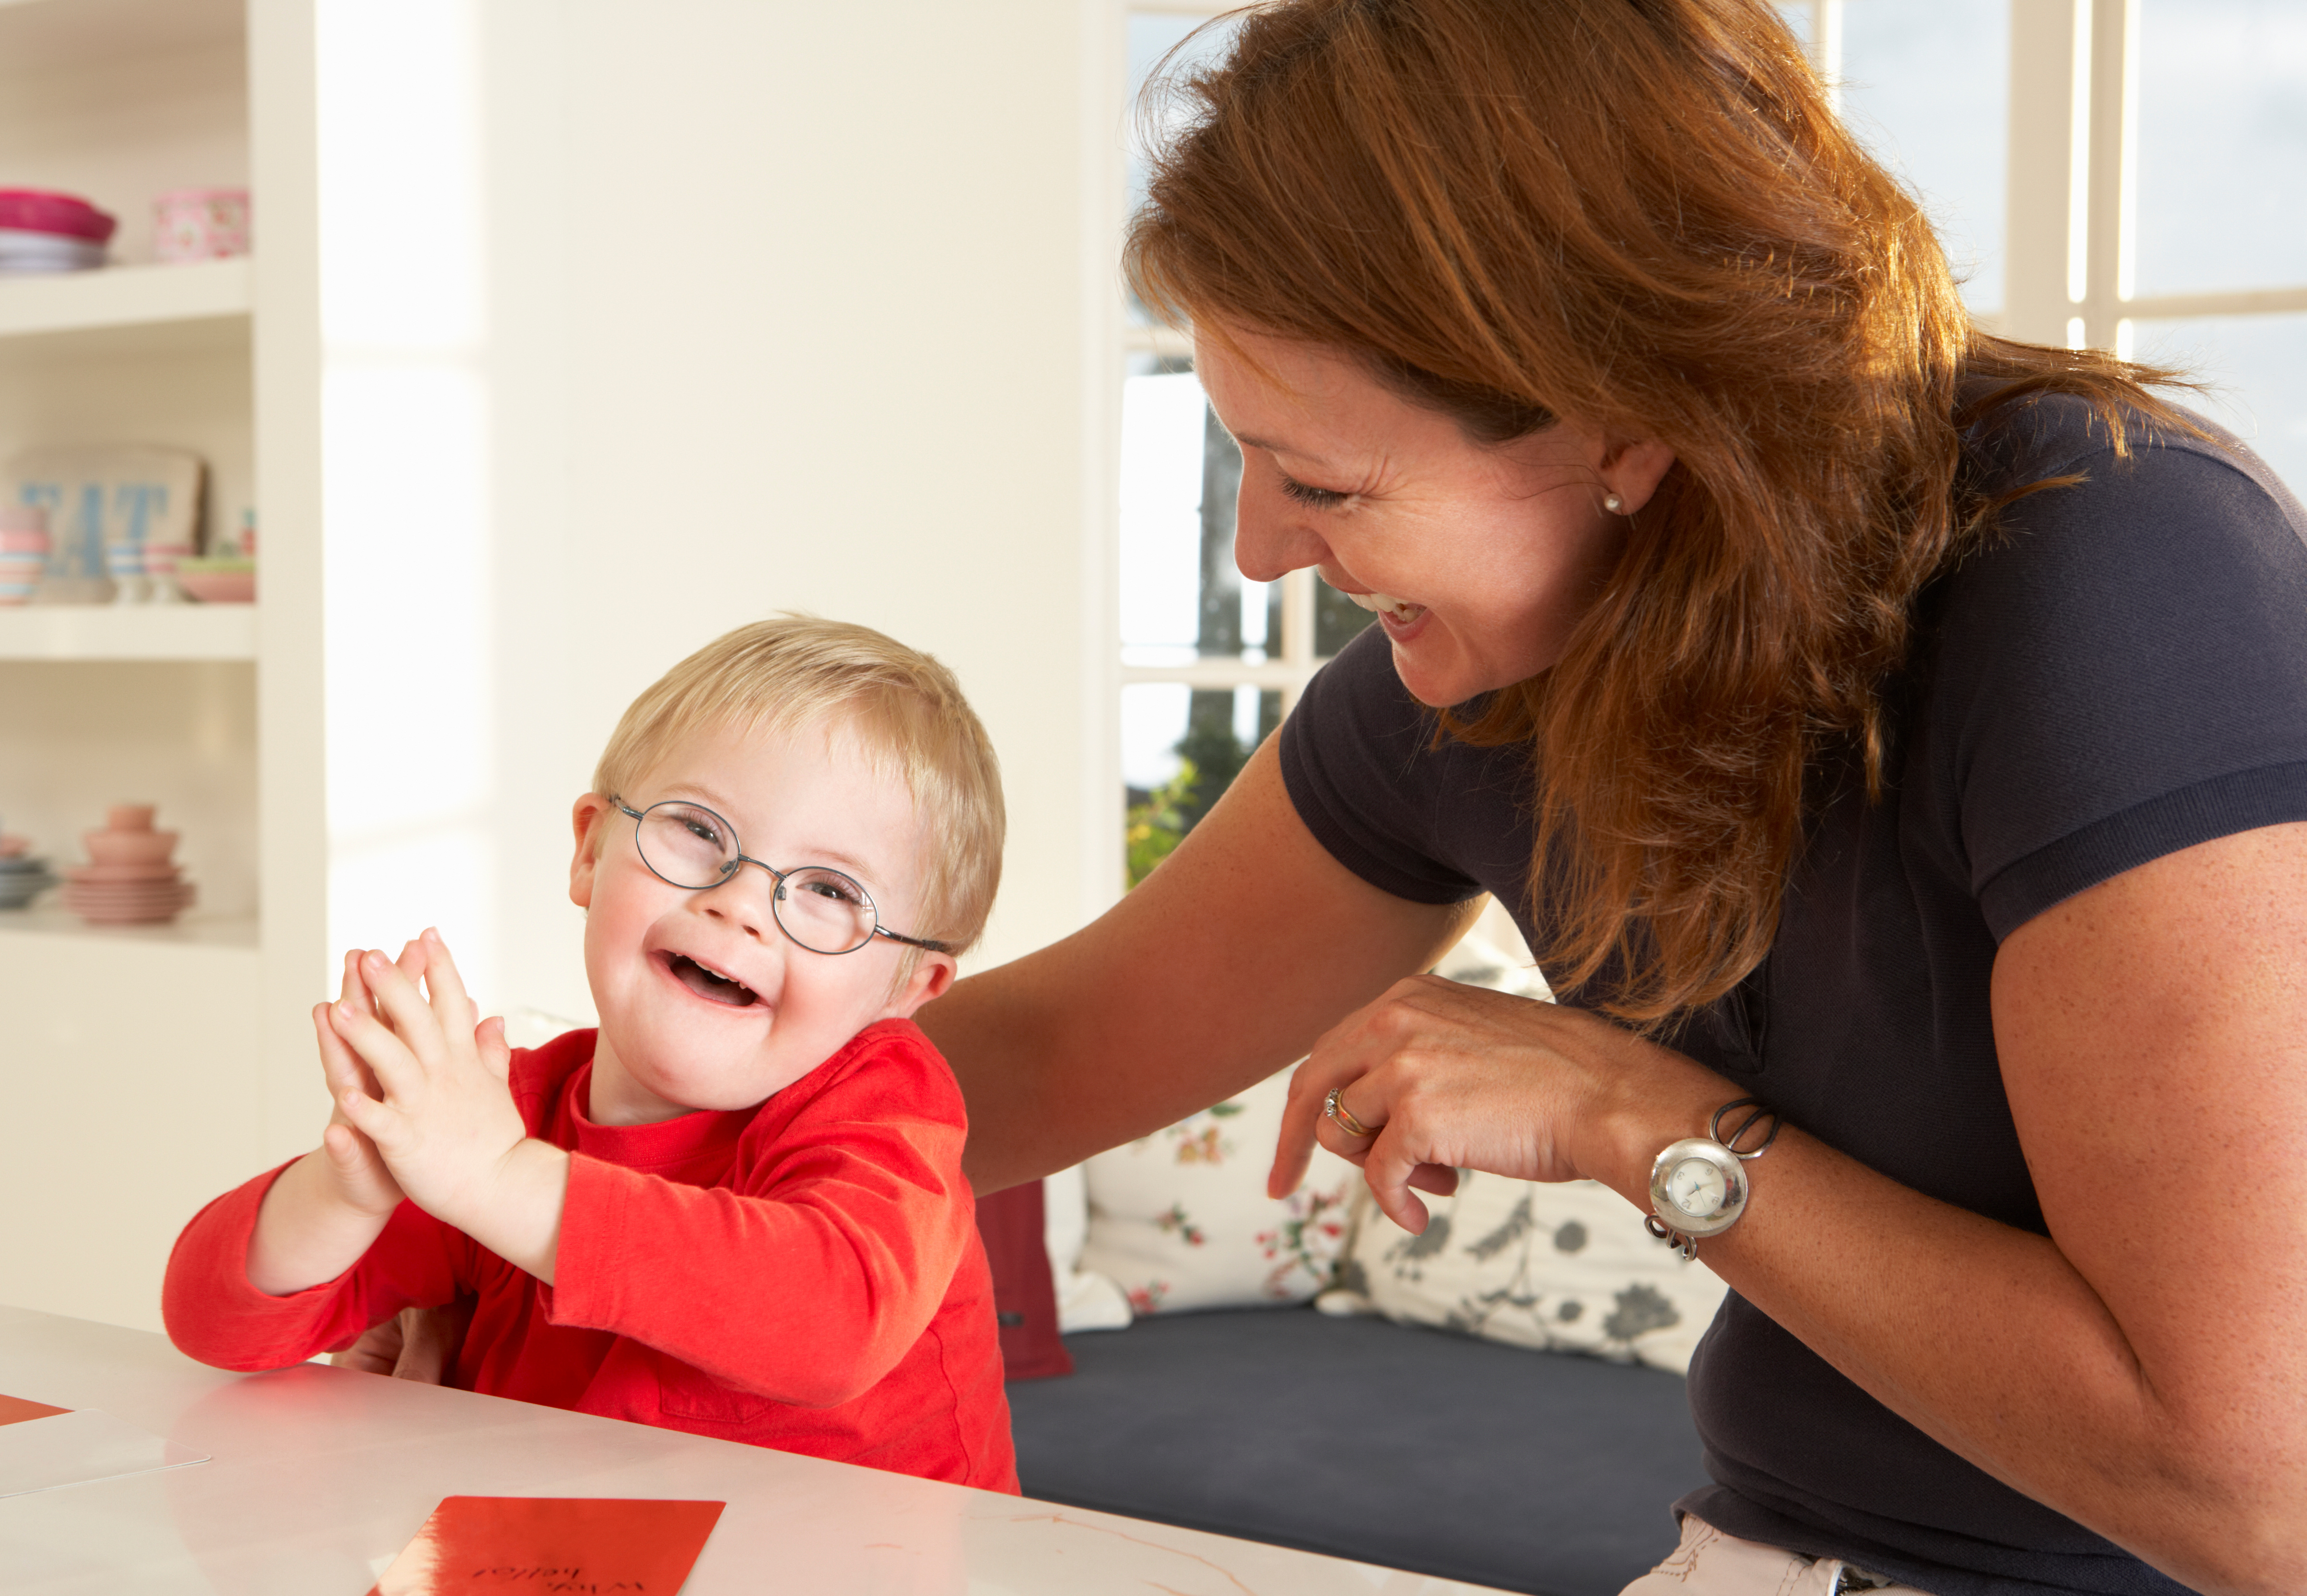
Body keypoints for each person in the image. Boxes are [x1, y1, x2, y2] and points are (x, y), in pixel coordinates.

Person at [919, 3, 2307, 1594]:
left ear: (1625, 425)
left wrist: (1629, 1111)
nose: (1258, 554)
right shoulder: (1503, 666)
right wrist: (592, 1123)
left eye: (1323, 482)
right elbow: (1034, 1059)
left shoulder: (2112, 575)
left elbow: (2254, 1490)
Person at [164, 617, 1019, 1491]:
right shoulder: (508, 1113)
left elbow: (835, 1321)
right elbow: (210, 1320)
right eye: (701, 831)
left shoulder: (885, 1103)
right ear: (588, 850)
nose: (741, 904)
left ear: (909, 988)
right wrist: (346, 1187)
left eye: (833, 890)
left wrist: (495, 1179)